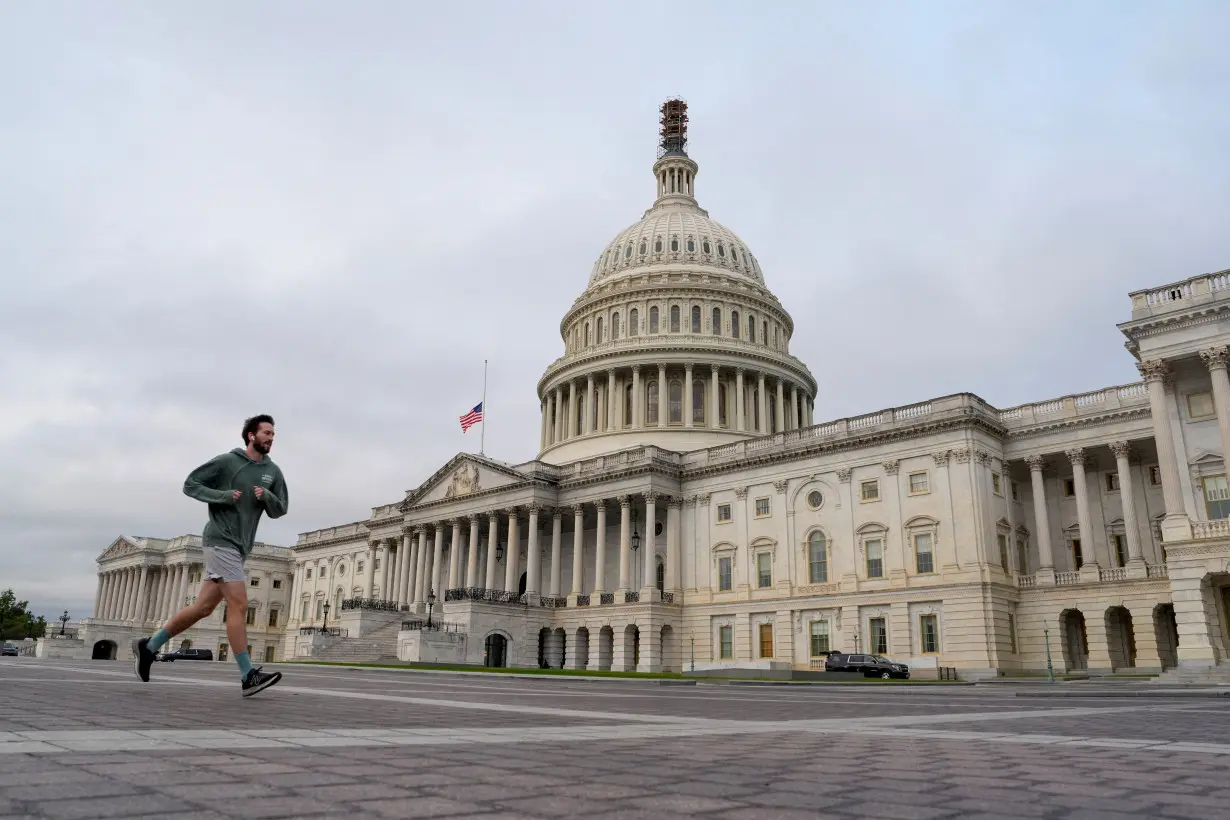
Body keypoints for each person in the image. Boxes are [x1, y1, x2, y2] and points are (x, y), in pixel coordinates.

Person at [132, 414, 289, 697]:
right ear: (251, 436)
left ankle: (149, 647)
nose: (271, 438)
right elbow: (191, 484)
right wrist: (223, 496)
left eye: (273, 434)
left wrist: (267, 496)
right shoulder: (228, 462)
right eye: (266, 433)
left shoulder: (273, 471)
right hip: (220, 540)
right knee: (239, 605)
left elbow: (281, 509)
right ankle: (247, 675)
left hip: (240, 547)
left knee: (203, 608)